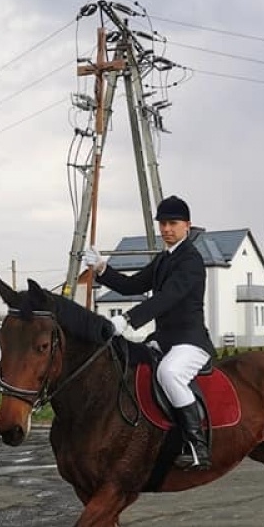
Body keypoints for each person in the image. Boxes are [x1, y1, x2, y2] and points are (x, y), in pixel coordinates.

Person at [82, 195, 215, 469]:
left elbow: (167, 297)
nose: (166, 229)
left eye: (173, 223)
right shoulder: (163, 259)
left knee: (170, 373)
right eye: (162, 224)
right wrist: (102, 268)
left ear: (187, 225)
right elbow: (132, 286)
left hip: (190, 341)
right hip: (164, 340)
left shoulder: (191, 260)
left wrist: (128, 319)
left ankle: (196, 445)